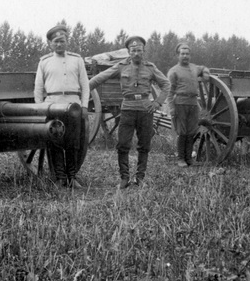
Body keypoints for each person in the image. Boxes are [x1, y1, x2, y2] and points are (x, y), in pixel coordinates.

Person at [88, 35, 170, 189]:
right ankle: (124, 178)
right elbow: (99, 78)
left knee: (144, 145)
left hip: (146, 109)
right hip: (127, 110)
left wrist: (158, 102)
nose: (136, 53)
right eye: (133, 50)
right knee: (123, 144)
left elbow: (166, 84)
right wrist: (85, 89)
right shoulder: (121, 66)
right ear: (128, 52)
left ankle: (140, 178)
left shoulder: (151, 68)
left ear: (143, 51)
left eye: (139, 50)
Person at [34, 24, 90, 188]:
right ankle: (60, 178)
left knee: (73, 142)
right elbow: (38, 88)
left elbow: (85, 86)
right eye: (56, 41)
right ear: (50, 44)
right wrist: (40, 108)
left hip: (73, 105)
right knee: (55, 142)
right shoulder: (44, 62)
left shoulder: (77, 59)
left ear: (67, 41)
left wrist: (84, 106)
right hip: (52, 105)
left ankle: (72, 177)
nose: (59, 44)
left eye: (62, 41)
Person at [167, 42, 210, 167]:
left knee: (191, 132)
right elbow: (169, 92)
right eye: (182, 54)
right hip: (180, 103)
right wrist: (171, 108)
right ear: (178, 55)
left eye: (187, 54)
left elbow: (202, 69)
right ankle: (181, 159)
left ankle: (189, 159)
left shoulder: (193, 68)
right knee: (182, 132)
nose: (185, 56)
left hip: (193, 103)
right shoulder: (173, 71)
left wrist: (206, 72)